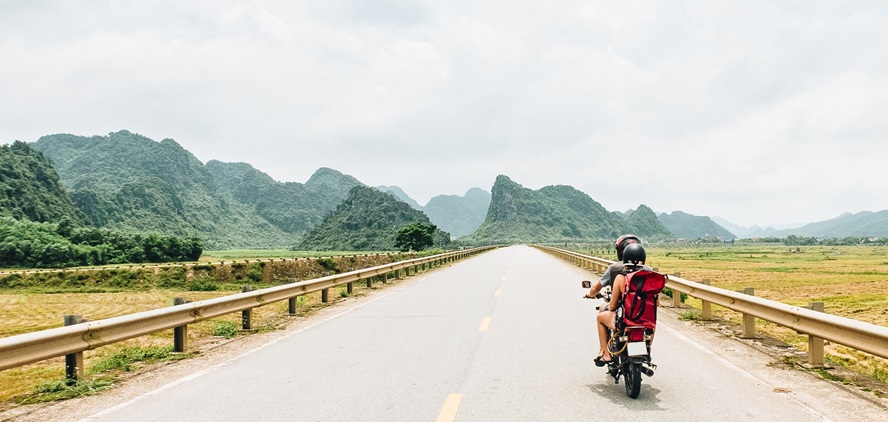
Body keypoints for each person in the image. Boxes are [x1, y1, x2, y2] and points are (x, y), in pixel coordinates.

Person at [594, 242, 647, 366]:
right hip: (645, 321)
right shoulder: (649, 277)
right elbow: (658, 303)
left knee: (600, 318)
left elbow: (612, 306)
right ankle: (647, 349)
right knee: (652, 327)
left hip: (624, 321)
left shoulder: (620, 278)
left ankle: (606, 355)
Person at [584, 234, 642, 301]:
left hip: (622, 309)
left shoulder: (615, 269)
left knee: (602, 309)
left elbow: (596, 289)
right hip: (645, 309)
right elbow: (657, 303)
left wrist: (590, 295)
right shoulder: (648, 270)